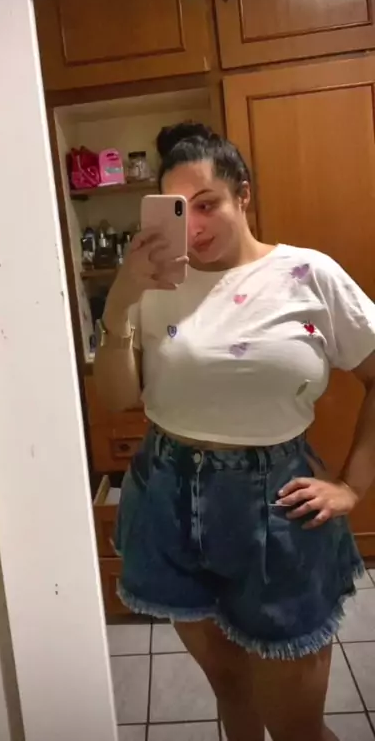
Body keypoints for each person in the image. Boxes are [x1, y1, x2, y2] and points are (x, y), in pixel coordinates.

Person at [94, 123, 375, 741]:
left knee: (297, 727)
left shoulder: (308, 274)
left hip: (276, 505)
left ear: (243, 194)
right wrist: (120, 303)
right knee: (231, 688)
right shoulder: (153, 284)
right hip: (166, 493)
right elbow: (116, 398)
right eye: (178, 210)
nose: (193, 227)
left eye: (207, 204)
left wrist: (353, 486)